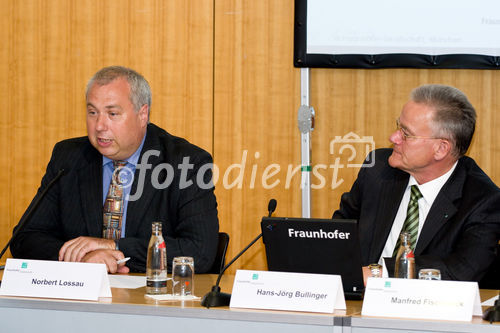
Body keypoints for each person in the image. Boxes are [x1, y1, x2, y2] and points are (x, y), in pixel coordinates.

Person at [10, 66, 219, 274]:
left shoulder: (186, 162)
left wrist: (114, 248)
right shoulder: (69, 158)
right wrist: (83, 257)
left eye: (112, 113)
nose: (99, 125)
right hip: (81, 299)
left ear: (142, 114)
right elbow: (25, 237)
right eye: (92, 112)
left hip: (151, 299)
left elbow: (199, 251)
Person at [333, 84, 500, 285]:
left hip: (430, 313)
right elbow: (339, 235)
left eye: (406, 134)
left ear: (441, 149)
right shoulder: (377, 170)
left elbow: (462, 271)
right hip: (359, 307)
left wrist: (380, 275)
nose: (393, 138)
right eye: (398, 126)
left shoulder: (482, 201)